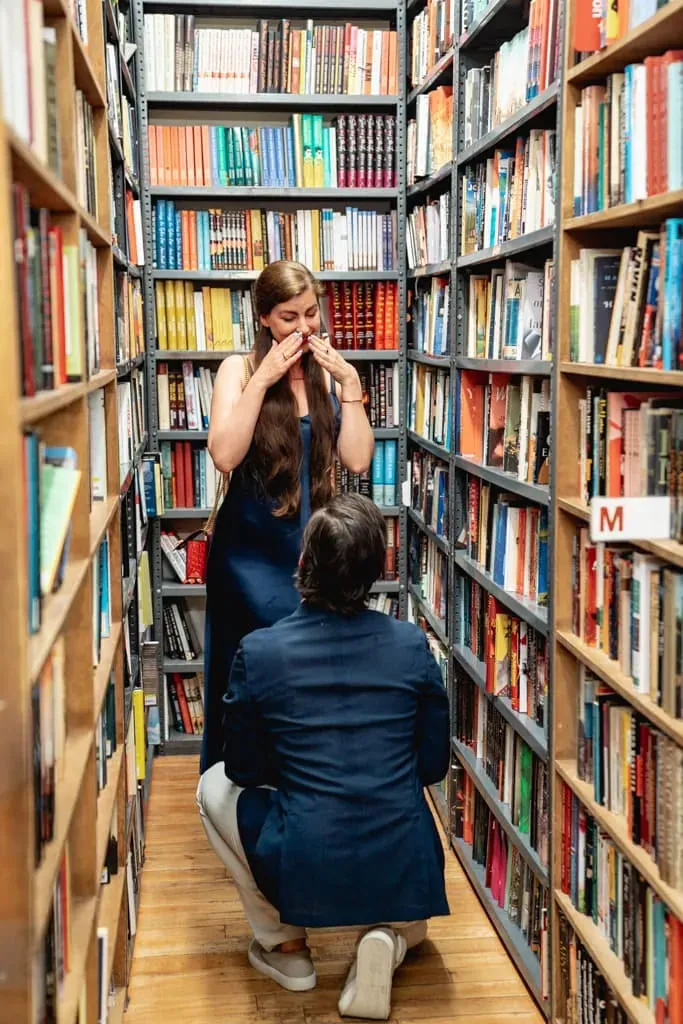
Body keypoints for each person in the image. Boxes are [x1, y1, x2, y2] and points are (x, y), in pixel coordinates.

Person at [196, 494, 450, 1021]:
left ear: (303, 564)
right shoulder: (411, 646)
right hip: (403, 860)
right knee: (415, 926)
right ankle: (385, 938)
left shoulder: (260, 651)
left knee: (213, 787)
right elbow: (431, 766)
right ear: (376, 570)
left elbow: (242, 768)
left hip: (305, 859)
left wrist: (297, 768)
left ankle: (286, 949)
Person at [201, 261, 374, 773]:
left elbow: (358, 459)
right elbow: (225, 455)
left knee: (307, 675)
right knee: (246, 673)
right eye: (288, 317)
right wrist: (264, 381)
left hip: (309, 550)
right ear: (263, 319)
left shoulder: (323, 373)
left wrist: (351, 383)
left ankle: (303, 784)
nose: (304, 328)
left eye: (312, 314)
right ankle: (237, 787)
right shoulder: (239, 369)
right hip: (246, 555)